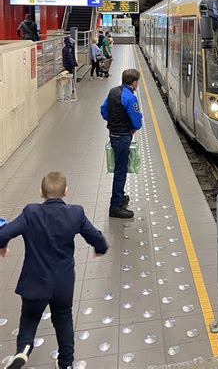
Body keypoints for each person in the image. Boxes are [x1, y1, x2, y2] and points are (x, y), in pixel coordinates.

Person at [0, 171, 108, 369]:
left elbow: (3, 233)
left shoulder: (30, 212)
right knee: (63, 320)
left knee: (29, 319)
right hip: (62, 285)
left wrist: (3, 244)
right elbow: (96, 237)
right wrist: (100, 248)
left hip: (34, 283)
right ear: (65, 192)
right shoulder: (76, 213)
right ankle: (65, 363)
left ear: (41, 193)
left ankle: (23, 352)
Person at [100, 69, 143, 219]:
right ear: (134, 82)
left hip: (113, 134)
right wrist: (132, 128)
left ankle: (120, 196)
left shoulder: (113, 92)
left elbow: (103, 110)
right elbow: (137, 121)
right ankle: (116, 206)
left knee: (119, 168)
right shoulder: (130, 98)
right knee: (120, 171)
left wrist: (113, 122)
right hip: (123, 136)